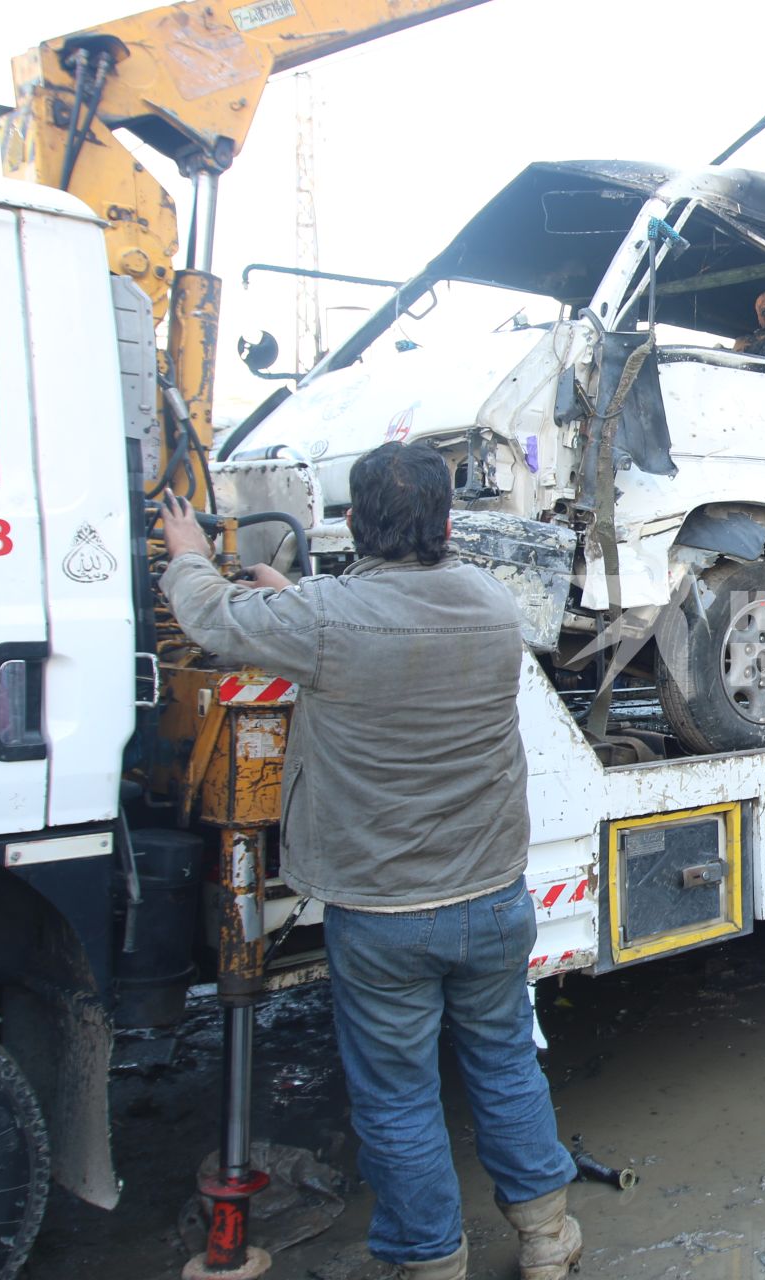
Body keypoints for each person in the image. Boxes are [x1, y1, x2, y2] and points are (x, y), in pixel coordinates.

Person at [157, 445, 581, 1280]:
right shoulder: (497, 607)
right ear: (449, 523)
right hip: (494, 897)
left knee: (398, 1096)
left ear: (352, 524)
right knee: (503, 1066)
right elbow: (375, 618)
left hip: (383, 914)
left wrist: (187, 555)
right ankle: (546, 1240)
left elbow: (213, 619)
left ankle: (432, 1262)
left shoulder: (324, 626)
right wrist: (299, 600)